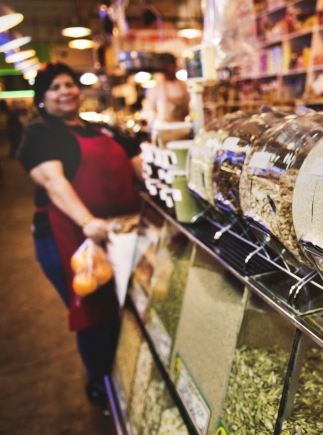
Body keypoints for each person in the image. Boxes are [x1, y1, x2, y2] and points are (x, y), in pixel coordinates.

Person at [17, 62, 142, 410]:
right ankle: (100, 383)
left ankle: (124, 370)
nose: (65, 92)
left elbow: (139, 165)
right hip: (69, 234)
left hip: (120, 233)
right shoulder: (40, 134)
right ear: (42, 99)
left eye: (69, 84)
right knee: (93, 307)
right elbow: (53, 183)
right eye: (54, 87)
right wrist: (86, 220)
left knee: (125, 305)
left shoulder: (105, 131)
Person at [142, 53, 190, 123]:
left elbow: (190, 105)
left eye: (172, 67)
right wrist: (155, 119)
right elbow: (148, 111)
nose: (170, 70)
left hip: (184, 128)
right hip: (165, 131)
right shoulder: (156, 88)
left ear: (175, 65)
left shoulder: (184, 85)